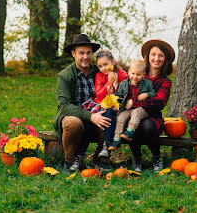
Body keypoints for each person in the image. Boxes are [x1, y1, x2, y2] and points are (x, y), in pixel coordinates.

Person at [52, 34, 113, 173]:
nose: (85, 57)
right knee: (73, 123)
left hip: (96, 112)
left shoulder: (98, 71)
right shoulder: (65, 75)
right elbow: (65, 105)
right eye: (81, 53)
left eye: (88, 53)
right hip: (73, 113)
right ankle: (70, 161)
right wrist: (90, 116)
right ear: (73, 54)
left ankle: (99, 159)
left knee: (110, 119)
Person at [69, 50, 128, 171]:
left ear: (113, 62)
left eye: (106, 64)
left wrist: (115, 86)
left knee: (110, 114)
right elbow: (99, 95)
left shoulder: (123, 75)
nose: (103, 68)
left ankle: (106, 147)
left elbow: (126, 93)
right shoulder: (99, 76)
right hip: (100, 104)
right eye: (100, 66)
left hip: (117, 107)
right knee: (90, 124)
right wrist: (108, 83)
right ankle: (79, 157)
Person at [128, 39, 175, 173]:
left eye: (160, 55)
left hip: (154, 119)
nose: (156, 58)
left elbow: (158, 103)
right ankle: (137, 158)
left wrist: (134, 102)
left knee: (146, 125)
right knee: (131, 123)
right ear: (148, 56)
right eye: (153, 54)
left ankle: (156, 156)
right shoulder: (139, 75)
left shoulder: (165, 82)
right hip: (134, 115)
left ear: (165, 59)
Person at [108, 59, 156, 150]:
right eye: (133, 73)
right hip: (127, 109)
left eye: (138, 74)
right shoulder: (123, 84)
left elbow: (153, 93)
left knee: (136, 113)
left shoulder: (147, 83)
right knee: (120, 118)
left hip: (141, 109)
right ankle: (116, 140)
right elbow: (119, 96)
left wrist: (147, 94)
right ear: (129, 72)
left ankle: (130, 131)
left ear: (143, 75)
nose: (135, 77)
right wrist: (112, 93)